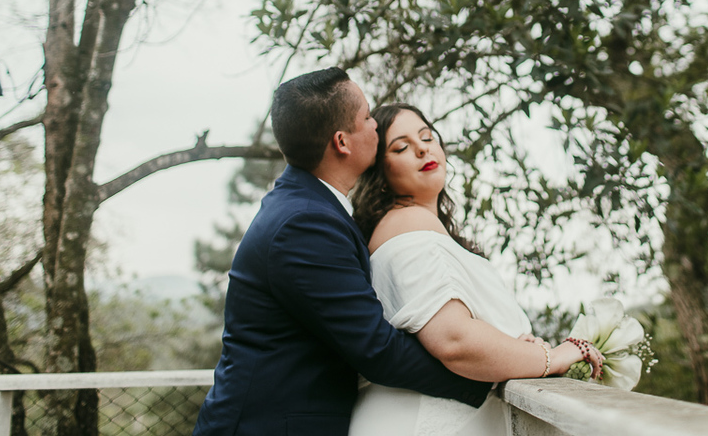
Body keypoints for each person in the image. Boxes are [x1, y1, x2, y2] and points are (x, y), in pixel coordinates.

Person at [192, 69, 491, 436]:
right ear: (342, 142)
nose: (375, 128)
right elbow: (377, 349)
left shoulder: (309, 208)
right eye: (366, 117)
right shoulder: (304, 224)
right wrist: (484, 376)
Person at [348, 103, 604, 436]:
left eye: (427, 137)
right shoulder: (408, 223)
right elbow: (455, 340)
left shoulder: (419, 227)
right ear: (380, 176)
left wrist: (517, 347)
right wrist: (551, 357)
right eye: (402, 147)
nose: (423, 148)